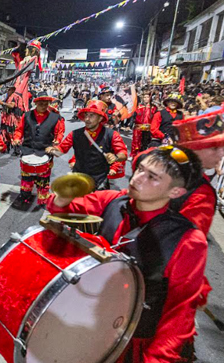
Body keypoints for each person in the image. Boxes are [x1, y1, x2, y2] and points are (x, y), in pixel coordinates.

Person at [49, 147, 206, 363]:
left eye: (152, 177)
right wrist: (62, 196)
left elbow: (178, 316)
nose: (137, 178)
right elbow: (61, 210)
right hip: (91, 321)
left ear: (175, 192)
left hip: (135, 340)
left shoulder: (188, 240)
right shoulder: (113, 200)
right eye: (140, 169)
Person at [52, 99, 128, 190]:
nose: (87, 119)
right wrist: (48, 149)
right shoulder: (75, 134)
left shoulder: (112, 134)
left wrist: (115, 157)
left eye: (91, 115)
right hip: (79, 178)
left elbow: (123, 153)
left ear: (100, 118)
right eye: (86, 115)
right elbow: (60, 150)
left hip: (100, 180)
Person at [12, 91, 65, 207]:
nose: (43, 105)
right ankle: (25, 196)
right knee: (26, 177)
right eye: (41, 103)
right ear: (36, 103)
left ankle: (43, 199)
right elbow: (19, 130)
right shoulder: (26, 115)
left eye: (46, 103)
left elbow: (59, 132)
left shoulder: (55, 117)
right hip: (28, 150)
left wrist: (56, 142)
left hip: (45, 151)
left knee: (43, 178)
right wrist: (16, 138)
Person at [132, 92, 158, 158]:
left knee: (145, 142)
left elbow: (156, 117)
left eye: (147, 97)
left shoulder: (153, 107)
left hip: (148, 127)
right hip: (139, 126)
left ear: (150, 98)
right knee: (136, 141)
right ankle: (135, 154)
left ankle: (143, 155)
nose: (146, 99)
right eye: (144, 97)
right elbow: (135, 116)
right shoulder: (139, 106)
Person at [0, 86, 22, 155]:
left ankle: (17, 150)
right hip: (6, 117)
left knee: (12, 133)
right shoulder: (7, 97)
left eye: (8, 90)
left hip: (12, 118)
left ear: (12, 90)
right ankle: (6, 148)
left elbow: (12, 106)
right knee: (4, 132)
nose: (7, 91)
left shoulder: (14, 96)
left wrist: (2, 103)